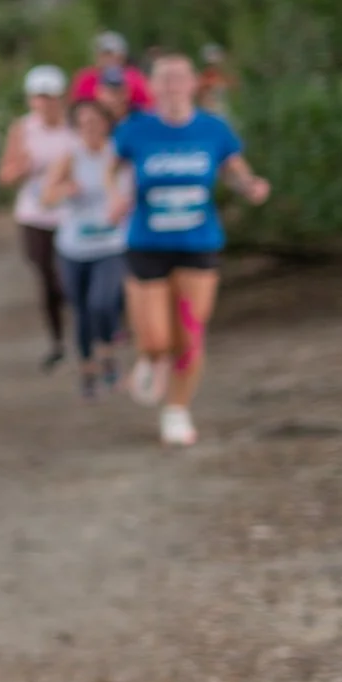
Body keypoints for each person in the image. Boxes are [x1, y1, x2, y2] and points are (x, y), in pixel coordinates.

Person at [113, 49, 272, 446]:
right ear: (151, 86)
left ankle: (177, 411)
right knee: (155, 340)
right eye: (163, 78)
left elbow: (234, 170)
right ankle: (150, 360)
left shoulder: (214, 130)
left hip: (197, 244)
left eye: (178, 77)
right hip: (147, 244)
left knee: (189, 335)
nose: (171, 86)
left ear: (193, 83)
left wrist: (250, 186)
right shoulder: (135, 130)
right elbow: (110, 170)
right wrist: (113, 197)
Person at [41, 96, 132, 398]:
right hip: (74, 247)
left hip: (111, 244)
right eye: (83, 124)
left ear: (107, 123)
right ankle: (88, 370)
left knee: (102, 303)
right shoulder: (70, 157)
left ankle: (107, 354)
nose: (90, 128)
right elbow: (46, 196)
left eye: (95, 121)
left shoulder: (119, 155)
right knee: (80, 310)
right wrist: (65, 189)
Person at [0, 63, 80, 369]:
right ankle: (57, 341)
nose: (44, 103)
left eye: (50, 97)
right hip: (34, 214)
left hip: (72, 213)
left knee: (69, 277)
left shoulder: (76, 127)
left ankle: (88, 332)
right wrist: (23, 167)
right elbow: (5, 175)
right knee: (46, 277)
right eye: (38, 97)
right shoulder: (23, 129)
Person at [72, 30, 153, 117]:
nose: (110, 60)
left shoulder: (134, 78)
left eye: (114, 55)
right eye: (106, 55)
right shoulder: (86, 79)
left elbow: (148, 106)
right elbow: (76, 110)